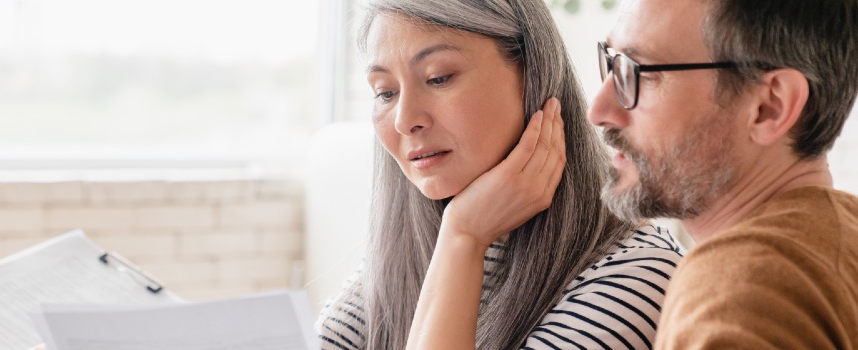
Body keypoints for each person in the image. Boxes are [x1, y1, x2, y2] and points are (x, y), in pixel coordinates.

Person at [317, 0, 684, 349]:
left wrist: (465, 236)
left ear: (533, 75)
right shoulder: (406, 254)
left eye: (439, 78)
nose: (404, 119)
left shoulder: (635, 277)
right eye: (385, 92)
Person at [588, 0, 858, 348]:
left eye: (639, 71)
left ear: (769, 107)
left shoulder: (736, 289)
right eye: (611, 63)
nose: (598, 110)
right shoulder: (838, 244)